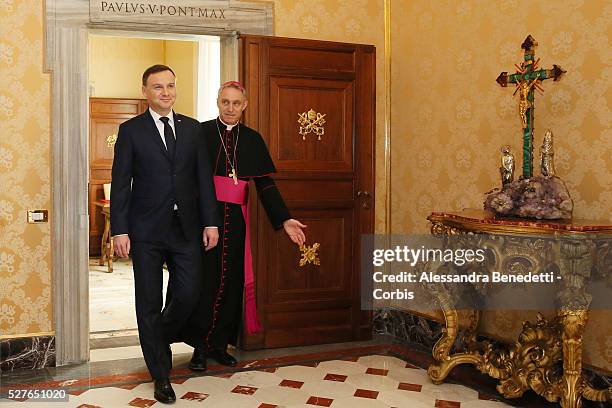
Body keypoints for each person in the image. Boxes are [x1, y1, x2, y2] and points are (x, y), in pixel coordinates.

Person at [110, 64, 219, 404]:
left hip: (186, 228)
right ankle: (161, 374)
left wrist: (211, 222)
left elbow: (203, 178)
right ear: (146, 91)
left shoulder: (193, 129)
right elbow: (121, 183)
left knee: (189, 293)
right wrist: (120, 229)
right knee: (149, 301)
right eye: (158, 87)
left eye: (171, 85)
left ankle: (160, 335)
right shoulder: (131, 131)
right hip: (145, 231)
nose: (166, 92)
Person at [185, 81, 306, 370]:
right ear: (217, 102)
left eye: (236, 103)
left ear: (244, 105)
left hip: (236, 222)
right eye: (225, 102)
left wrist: (284, 218)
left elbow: (265, 185)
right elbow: (187, 180)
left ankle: (219, 345)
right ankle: (199, 348)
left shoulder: (252, 139)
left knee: (231, 282)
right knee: (204, 283)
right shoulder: (200, 133)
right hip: (206, 221)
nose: (230, 108)